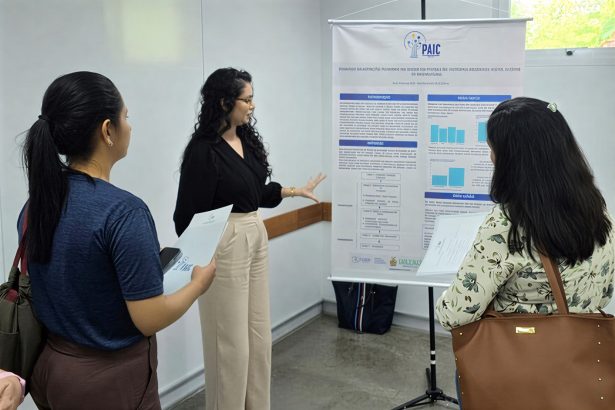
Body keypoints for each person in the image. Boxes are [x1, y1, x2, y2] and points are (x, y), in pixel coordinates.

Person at [19, 71, 216, 410]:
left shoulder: (36, 203)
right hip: (109, 381)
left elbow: (75, 276)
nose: (130, 126)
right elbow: (149, 318)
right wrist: (199, 284)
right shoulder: (124, 211)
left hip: (50, 369)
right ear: (107, 130)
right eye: (126, 117)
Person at [435, 97, 615, 405]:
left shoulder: (507, 223)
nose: (490, 156)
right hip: (580, 363)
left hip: (518, 368)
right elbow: (606, 289)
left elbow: (454, 313)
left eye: (493, 148)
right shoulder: (596, 207)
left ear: (512, 159)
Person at [174, 67, 325, 410]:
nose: (252, 105)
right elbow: (186, 215)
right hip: (224, 242)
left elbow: (255, 193)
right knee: (229, 346)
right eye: (247, 99)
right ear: (225, 102)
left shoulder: (245, 140)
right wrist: (203, 257)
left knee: (257, 339)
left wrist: (293, 191)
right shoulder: (203, 150)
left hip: (254, 232)